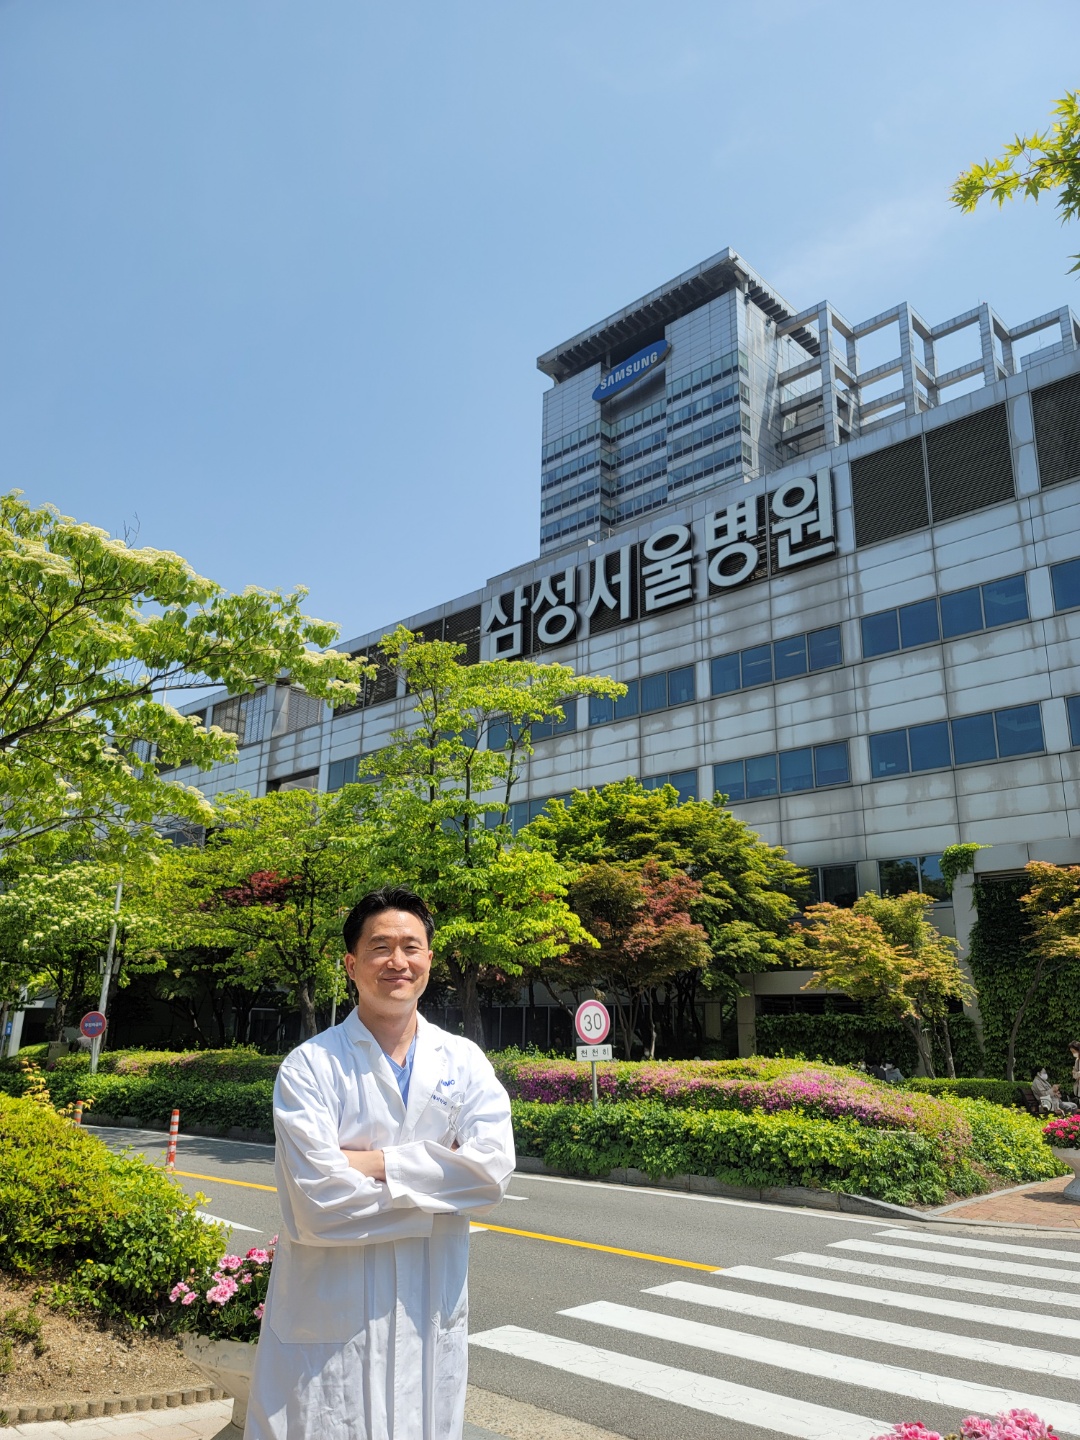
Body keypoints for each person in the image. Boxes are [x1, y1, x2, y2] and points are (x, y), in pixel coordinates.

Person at [245, 887, 515, 1440]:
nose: (398, 961)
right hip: (329, 1330)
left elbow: (491, 1174)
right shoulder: (310, 1067)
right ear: (352, 965)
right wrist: (439, 1194)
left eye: (411, 947)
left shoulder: (463, 1061)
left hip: (427, 1314)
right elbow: (319, 1206)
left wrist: (371, 1163)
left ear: (429, 959)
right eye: (380, 947)